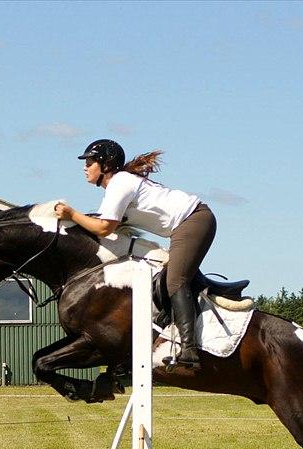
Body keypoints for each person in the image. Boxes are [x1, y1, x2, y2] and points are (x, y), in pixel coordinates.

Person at [54, 139, 216, 370]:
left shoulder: (120, 183)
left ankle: (189, 349)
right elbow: (100, 224)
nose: (85, 166)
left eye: (89, 161)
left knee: (175, 281)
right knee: (168, 279)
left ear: (105, 164)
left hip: (194, 221)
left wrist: (71, 213)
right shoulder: (116, 187)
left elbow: (103, 228)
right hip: (188, 224)